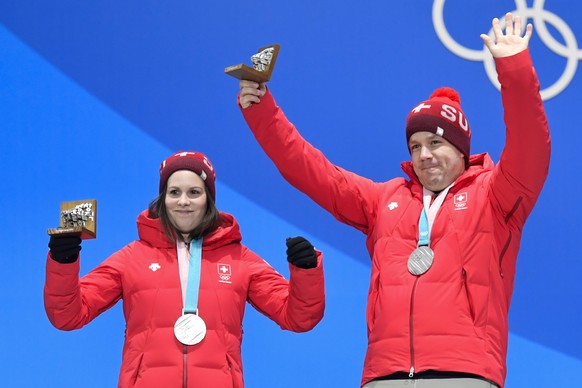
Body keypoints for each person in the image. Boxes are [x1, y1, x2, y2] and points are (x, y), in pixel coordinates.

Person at [237, 12, 550, 388]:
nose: (424, 155)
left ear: (461, 148)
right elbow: (307, 168)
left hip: (466, 371)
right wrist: (261, 112)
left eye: (435, 143)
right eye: (415, 146)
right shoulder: (384, 199)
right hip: (384, 374)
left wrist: (514, 70)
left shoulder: (496, 196)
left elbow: (530, 144)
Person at [44, 150, 325, 388]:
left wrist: (306, 271)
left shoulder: (241, 259)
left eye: (194, 192)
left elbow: (298, 317)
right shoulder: (132, 257)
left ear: (208, 200)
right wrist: (63, 262)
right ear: (162, 199)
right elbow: (67, 315)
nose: (183, 201)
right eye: (174, 192)